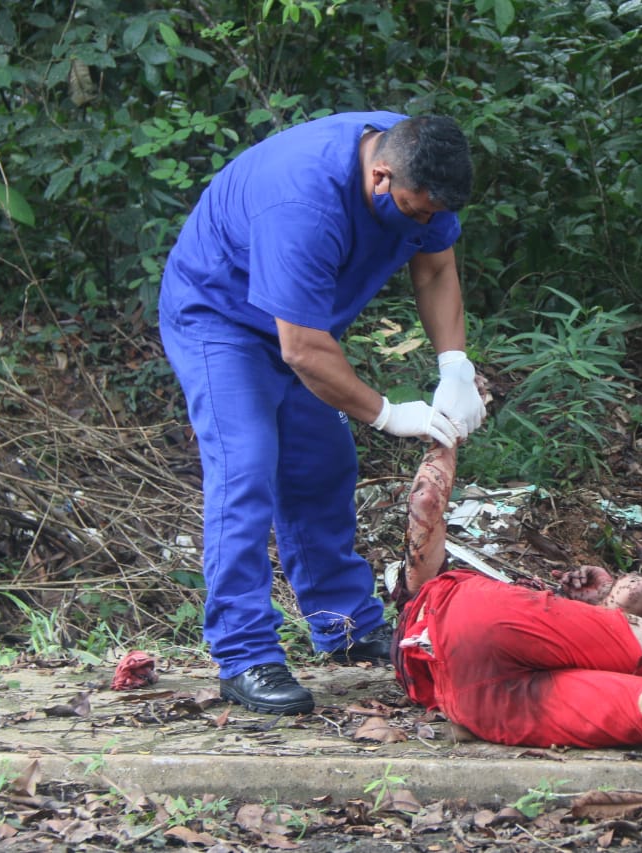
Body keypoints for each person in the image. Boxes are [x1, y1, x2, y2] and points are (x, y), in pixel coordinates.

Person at [159, 111, 486, 716]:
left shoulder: (422, 164)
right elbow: (302, 349)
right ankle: (245, 652)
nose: (425, 222)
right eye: (415, 211)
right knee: (246, 468)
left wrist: (455, 366)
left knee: (323, 463)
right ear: (380, 176)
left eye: (435, 213)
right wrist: (387, 413)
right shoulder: (302, 200)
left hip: (304, 324)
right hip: (220, 318)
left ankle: (345, 626)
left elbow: (436, 266)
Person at [392, 444, 642, 845]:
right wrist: (446, 432)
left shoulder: (428, 630)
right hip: (472, 619)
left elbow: (632, 599)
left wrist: (601, 599)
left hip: (470, 702)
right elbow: (640, 590)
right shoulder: (430, 592)